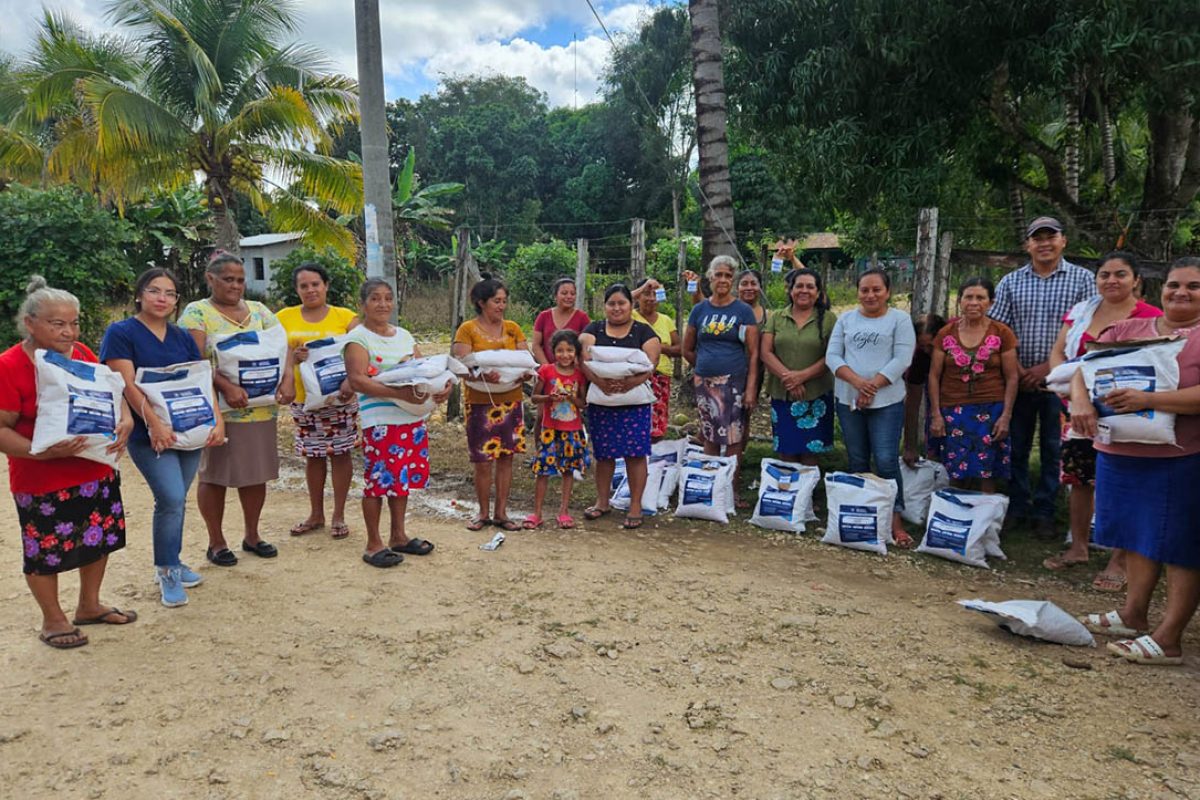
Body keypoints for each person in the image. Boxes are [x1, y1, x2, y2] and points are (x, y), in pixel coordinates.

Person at [1072, 257, 1200, 666]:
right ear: (1161, 288)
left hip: (1181, 457)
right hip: (1120, 452)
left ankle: (1169, 638)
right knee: (1135, 536)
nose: (1181, 292)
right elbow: (1083, 368)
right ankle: (1133, 614)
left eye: (1194, 286)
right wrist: (1080, 401)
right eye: (1174, 285)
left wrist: (1149, 400)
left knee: (1181, 546)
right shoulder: (1129, 329)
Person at [0, 276, 135, 649]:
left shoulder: (82, 354)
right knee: (44, 551)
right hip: (41, 478)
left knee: (99, 540)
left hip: (94, 468)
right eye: (57, 323)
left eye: (73, 323)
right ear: (30, 323)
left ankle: (89, 605)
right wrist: (40, 451)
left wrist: (125, 418)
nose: (69, 332)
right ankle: (53, 619)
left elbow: (111, 392)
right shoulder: (9, 366)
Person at [100, 268, 225, 607]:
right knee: (169, 498)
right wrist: (154, 424)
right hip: (148, 434)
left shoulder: (181, 336)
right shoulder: (120, 333)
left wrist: (217, 420)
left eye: (170, 293)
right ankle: (167, 569)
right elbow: (126, 384)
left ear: (176, 301)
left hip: (188, 429)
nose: (162, 298)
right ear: (139, 294)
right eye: (154, 290)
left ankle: (174, 560)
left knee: (177, 499)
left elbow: (201, 380)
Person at [1044, 252, 1162, 585]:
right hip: (1076, 407)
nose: (1111, 280)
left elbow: (1154, 366)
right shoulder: (1083, 311)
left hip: (1125, 410)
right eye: (1105, 274)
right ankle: (1078, 546)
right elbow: (1059, 351)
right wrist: (1067, 384)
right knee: (1079, 476)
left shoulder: (1151, 317)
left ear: (1136, 280)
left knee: (1124, 481)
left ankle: (1119, 560)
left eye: (1120, 274)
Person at [989, 217, 1096, 537]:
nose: (1045, 243)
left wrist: (1048, 369)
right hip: (1019, 379)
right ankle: (1017, 506)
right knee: (1016, 444)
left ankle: (1046, 511)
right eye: (1038, 238)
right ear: (1028, 245)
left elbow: (1087, 330)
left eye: (1051, 237)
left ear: (1063, 241)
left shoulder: (1083, 280)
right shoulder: (1011, 282)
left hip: (1064, 382)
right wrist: (1021, 371)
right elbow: (999, 330)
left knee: (1055, 446)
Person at [179, 250, 284, 566]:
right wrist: (225, 386)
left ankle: (252, 535)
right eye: (228, 279)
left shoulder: (260, 310)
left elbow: (283, 347)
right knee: (214, 475)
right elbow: (194, 361)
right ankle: (217, 541)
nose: (235, 285)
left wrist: (289, 379)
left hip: (260, 408)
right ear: (210, 279)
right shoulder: (197, 313)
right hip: (219, 410)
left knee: (256, 473)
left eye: (240, 280)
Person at [344, 279, 449, 567]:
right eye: (375, 298)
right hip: (380, 420)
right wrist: (398, 394)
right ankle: (373, 543)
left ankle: (398, 535)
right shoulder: (358, 338)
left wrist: (441, 388)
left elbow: (424, 369)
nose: (383, 304)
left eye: (388, 298)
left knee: (400, 478)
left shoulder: (403, 335)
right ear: (363, 304)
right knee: (378, 482)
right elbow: (357, 380)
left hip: (410, 417)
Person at [825, 268, 917, 545]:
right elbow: (833, 356)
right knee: (857, 459)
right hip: (848, 398)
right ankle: (862, 515)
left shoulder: (899, 319)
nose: (870, 295)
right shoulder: (846, 319)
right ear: (858, 292)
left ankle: (895, 519)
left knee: (886, 459)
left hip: (887, 401)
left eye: (877, 289)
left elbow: (902, 358)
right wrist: (858, 383)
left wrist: (872, 386)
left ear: (888, 292)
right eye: (864, 290)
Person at [275, 263, 360, 540]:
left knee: (341, 454)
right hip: (304, 401)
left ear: (326, 286)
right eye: (304, 286)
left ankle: (338, 515)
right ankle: (316, 514)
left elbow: (361, 351)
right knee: (313, 456)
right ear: (296, 289)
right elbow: (276, 354)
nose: (310, 290)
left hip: (341, 399)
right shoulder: (283, 318)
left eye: (315, 284)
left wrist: (351, 382)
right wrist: (293, 359)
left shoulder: (345, 317)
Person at [580, 284, 662, 529]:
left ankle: (635, 506)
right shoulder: (593, 329)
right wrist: (600, 382)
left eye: (621, 303)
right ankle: (602, 501)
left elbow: (652, 363)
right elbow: (583, 359)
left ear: (631, 305)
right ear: (605, 306)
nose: (616, 308)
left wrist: (629, 383)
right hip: (602, 401)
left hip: (634, 404)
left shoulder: (643, 331)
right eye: (611, 304)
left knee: (635, 454)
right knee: (604, 454)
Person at [927, 278, 1019, 493]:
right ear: (960, 300)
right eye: (968, 297)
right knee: (955, 471)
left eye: (980, 298)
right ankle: (955, 511)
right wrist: (936, 414)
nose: (974, 303)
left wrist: (1006, 416)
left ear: (991, 302)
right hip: (953, 410)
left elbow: (1012, 377)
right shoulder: (946, 334)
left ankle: (986, 513)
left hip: (991, 411)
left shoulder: (1002, 332)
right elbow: (934, 376)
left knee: (988, 472)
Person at [452, 274, 529, 532]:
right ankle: (483, 513)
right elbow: (462, 365)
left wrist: (525, 374)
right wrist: (481, 376)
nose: (501, 306)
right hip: (479, 403)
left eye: (504, 301)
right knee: (482, 460)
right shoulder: (467, 330)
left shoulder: (513, 328)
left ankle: (501, 513)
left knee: (506, 458)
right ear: (481, 302)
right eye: (496, 301)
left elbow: (524, 358)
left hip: (511, 401)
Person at [683, 256, 760, 499]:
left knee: (734, 437)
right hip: (705, 383)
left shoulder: (743, 311)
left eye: (728, 275)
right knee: (710, 435)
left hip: (734, 382)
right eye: (719, 275)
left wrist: (750, 388)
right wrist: (705, 367)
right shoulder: (699, 310)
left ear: (733, 279)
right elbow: (687, 348)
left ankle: (730, 491)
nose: (723, 280)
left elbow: (753, 353)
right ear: (710, 278)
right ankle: (711, 489)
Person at [760, 268, 837, 465]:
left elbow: (832, 355)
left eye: (810, 287)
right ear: (790, 290)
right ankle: (788, 485)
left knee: (811, 453)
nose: (804, 290)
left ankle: (808, 486)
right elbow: (765, 352)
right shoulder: (777, 317)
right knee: (786, 451)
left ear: (818, 293)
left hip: (816, 395)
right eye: (799, 286)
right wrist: (790, 379)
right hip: (783, 393)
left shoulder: (829, 319)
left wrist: (802, 376)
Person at [525, 330, 589, 530]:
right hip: (549, 430)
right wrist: (549, 398)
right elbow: (534, 398)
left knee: (568, 470)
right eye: (560, 350)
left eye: (569, 350)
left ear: (576, 352)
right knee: (543, 470)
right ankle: (537, 513)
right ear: (553, 352)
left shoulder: (580, 375)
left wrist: (571, 398)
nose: (565, 355)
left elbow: (583, 403)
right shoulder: (546, 371)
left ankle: (564, 511)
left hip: (572, 430)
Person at [631, 277, 681, 440]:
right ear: (638, 296)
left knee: (658, 423)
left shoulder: (666, 320)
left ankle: (655, 452)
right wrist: (644, 286)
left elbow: (679, 348)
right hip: (636, 375)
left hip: (661, 376)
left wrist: (659, 347)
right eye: (647, 293)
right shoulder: (629, 316)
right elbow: (619, 299)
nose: (651, 298)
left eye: (655, 294)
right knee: (637, 420)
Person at [902, 313, 947, 466]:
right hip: (936, 407)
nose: (927, 350)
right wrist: (910, 447)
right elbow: (912, 404)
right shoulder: (919, 358)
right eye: (922, 346)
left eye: (931, 346)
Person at [531, 278, 590, 365]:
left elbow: (586, 347)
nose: (569, 297)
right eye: (564, 293)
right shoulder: (543, 316)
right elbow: (536, 346)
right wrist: (548, 368)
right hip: (547, 368)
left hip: (573, 369)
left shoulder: (582, 318)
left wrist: (574, 367)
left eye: (572, 293)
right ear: (555, 296)